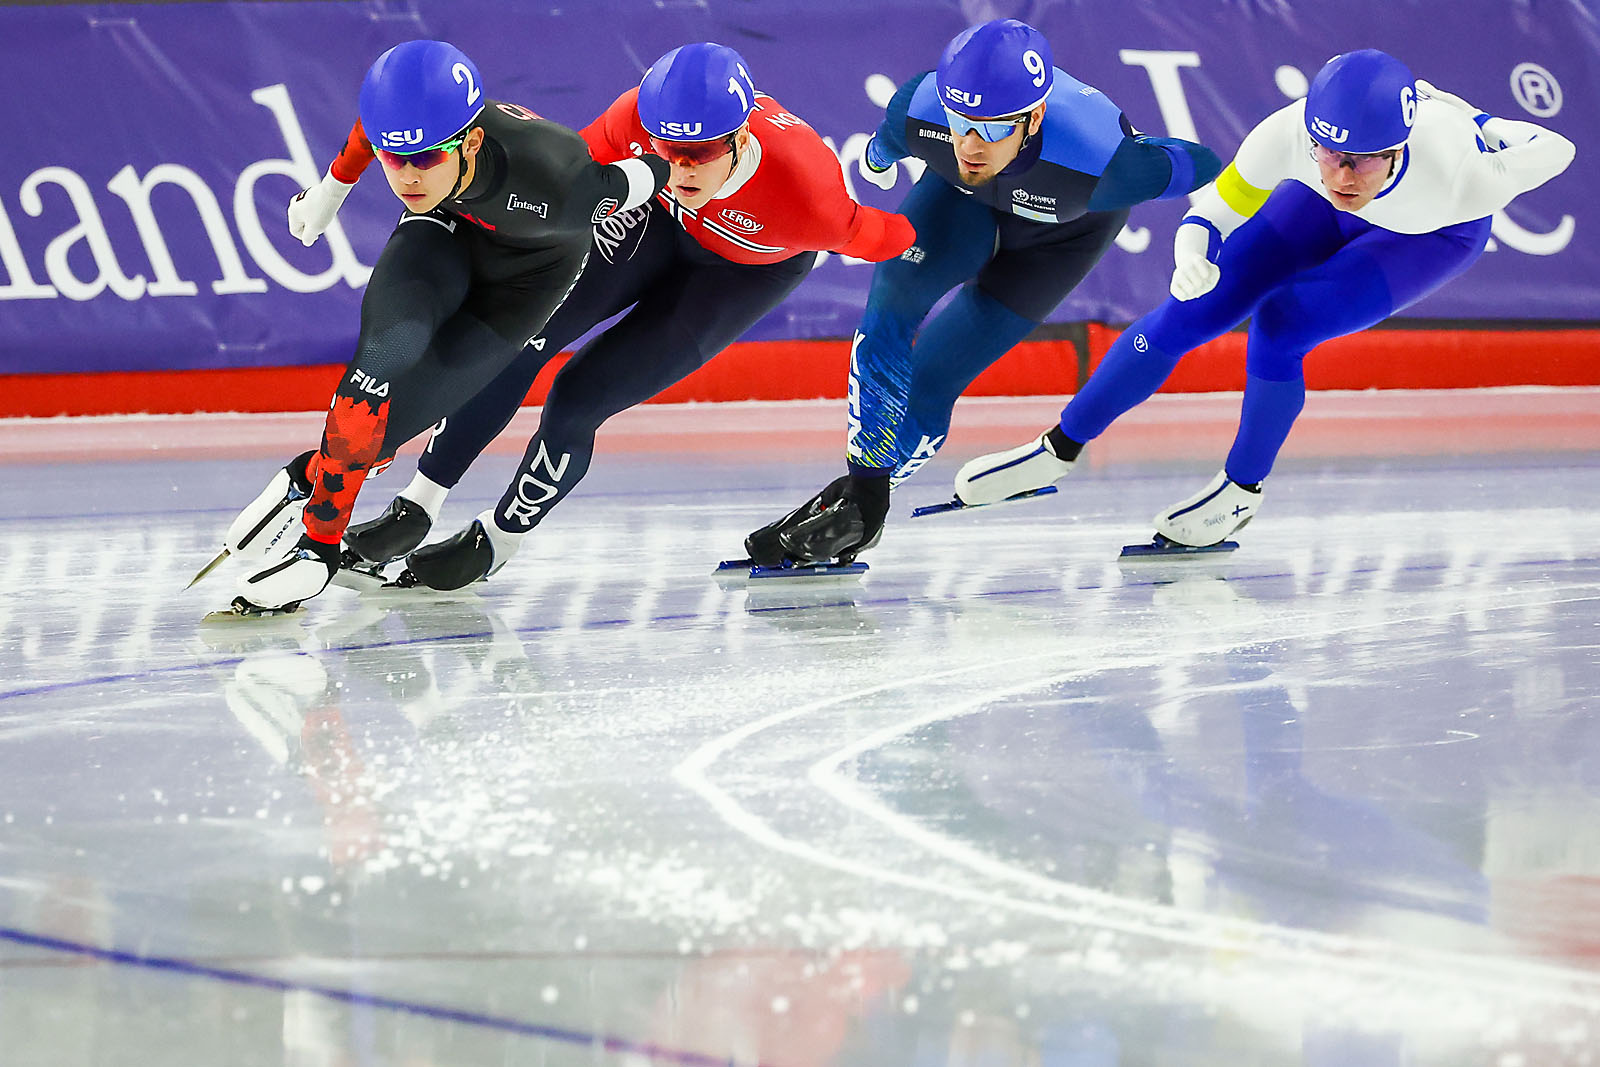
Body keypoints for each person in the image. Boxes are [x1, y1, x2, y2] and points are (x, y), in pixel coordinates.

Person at [339, 42, 917, 590]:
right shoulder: (633, 119)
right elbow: (561, 177)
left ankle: (500, 539)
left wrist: (948, 226)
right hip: (660, 224)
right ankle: (418, 503)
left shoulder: (807, 193)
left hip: (743, 276)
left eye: (701, 153)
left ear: (740, 139)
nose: (684, 167)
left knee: (577, 399)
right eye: (668, 150)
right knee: (519, 338)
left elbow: (893, 237)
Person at [952, 50, 1575, 547]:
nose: (1341, 177)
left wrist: (1486, 123)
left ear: (1399, 149)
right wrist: (1190, 257)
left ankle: (1239, 490)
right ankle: (1058, 448)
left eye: (1360, 163)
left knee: (1283, 322)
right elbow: (1213, 212)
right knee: (1191, 310)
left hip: (1429, 234)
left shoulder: (1462, 177)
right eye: (1328, 155)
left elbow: (1559, 148)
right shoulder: (1289, 136)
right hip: (1312, 213)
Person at [195, 39, 670, 613]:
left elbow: (645, 176)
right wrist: (327, 195)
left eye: (425, 160)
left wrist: (677, 164)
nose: (408, 176)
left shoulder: (559, 179)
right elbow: (366, 134)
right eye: (396, 159)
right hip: (444, 232)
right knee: (377, 367)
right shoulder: (404, 132)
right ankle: (317, 553)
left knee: (391, 426)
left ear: (470, 141)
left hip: (526, 284)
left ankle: (308, 480)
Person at [742, 18, 1221, 569]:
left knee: (933, 379)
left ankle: (860, 497)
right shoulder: (918, 110)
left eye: (991, 128)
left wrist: (1228, 215)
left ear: (1035, 116)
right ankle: (865, 495)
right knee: (891, 305)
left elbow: (1208, 165)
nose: (970, 144)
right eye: (959, 121)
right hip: (962, 205)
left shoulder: (1108, 162)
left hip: (1061, 241)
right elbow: (883, 146)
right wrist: (879, 158)